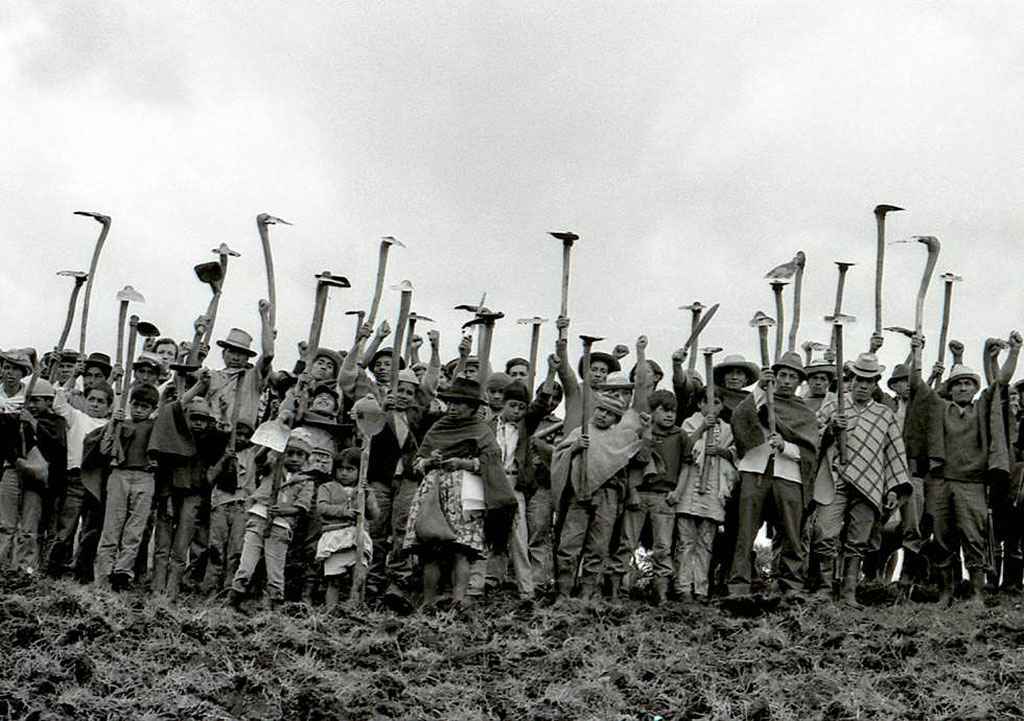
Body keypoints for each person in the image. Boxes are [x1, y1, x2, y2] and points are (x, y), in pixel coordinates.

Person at [922, 332, 1021, 604]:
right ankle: (946, 593)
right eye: (958, 384)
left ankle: (977, 594)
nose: (963, 388)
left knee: (974, 536)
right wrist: (956, 360)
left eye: (968, 384)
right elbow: (928, 395)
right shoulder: (941, 408)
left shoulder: (982, 408)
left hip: (973, 484)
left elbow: (1000, 382)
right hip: (943, 482)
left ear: (975, 389)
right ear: (950, 389)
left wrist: (1013, 352)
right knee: (941, 537)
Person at [403, 377, 515, 607]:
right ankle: (428, 602)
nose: (453, 407)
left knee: (461, 549)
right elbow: (416, 464)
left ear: (473, 407)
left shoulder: (481, 430)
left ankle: (459, 600)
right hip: (434, 491)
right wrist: (429, 462)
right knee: (431, 548)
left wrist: (464, 464)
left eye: (460, 403)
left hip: (466, 493)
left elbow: (493, 462)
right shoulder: (438, 427)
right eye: (451, 402)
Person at [812, 354, 912, 607]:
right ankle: (825, 589)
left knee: (857, 540)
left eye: (869, 380)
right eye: (859, 379)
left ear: (876, 383)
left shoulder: (884, 415)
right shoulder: (833, 406)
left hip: (870, 484)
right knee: (825, 532)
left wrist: (892, 489)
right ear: (851, 379)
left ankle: (848, 592)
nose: (863, 385)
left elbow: (893, 453)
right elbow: (811, 439)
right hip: (835, 479)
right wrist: (830, 429)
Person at [728, 351, 819, 597]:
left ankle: (791, 586)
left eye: (792, 376)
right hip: (755, 470)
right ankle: (739, 586)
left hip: (789, 475)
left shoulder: (805, 414)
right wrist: (759, 388)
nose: (786, 381)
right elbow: (739, 420)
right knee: (745, 531)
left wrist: (786, 447)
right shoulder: (757, 401)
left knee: (791, 532)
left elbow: (810, 454)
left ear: (800, 381)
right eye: (782, 375)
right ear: (774, 376)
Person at [148, 373, 228, 598]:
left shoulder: (210, 441)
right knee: (163, 544)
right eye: (194, 419)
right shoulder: (172, 437)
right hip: (168, 494)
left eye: (203, 419)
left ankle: (172, 590)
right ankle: (157, 588)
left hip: (193, 497)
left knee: (181, 545)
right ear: (186, 418)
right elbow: (173, 409)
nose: (198, 424)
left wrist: (221, 412)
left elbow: (225, 435)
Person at [611, 389, 691, 604]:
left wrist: (678, 491)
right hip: (638, 494)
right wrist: (632, 492)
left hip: (664, 497)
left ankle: (661, 595)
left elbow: (686, 465)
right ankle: (619, 593)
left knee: (663, 547)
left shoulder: (680, 436)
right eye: (663, 410)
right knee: (627, 543)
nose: (669, 415)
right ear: (652, 412)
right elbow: (627, 466)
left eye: (673, 411)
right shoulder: (639, 433)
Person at [230, 433, 315, 609]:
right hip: (258, 518)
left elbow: (302, 506)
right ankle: (234, 600)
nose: (294, 458)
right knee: (246, 564)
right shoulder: (272, 468)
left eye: (300, 455)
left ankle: (275, 605)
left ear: (307, 458)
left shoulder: (306, 481)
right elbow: (259, 458)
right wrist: (274, 443)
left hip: (281, 526)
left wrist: (285, 510)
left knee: (275, 569)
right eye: (290, 453)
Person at [670, 386, 736, 603]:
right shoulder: (689, 422)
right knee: (686, 540)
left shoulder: (727, 429)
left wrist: (721, 452)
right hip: (690, 483)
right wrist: (701, 430)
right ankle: (683, 588)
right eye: (707, 401)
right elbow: (683, 447)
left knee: (705, 542)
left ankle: (701, 589)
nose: (711, 406)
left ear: (721, 405)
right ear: (699, 404)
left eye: (717, 402)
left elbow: (735, 452)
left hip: (714, 487)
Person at [93, 383, 160, 589]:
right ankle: (103, 577)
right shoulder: (122, 423)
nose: (139, 410)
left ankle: (122, 573)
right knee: (112, 527)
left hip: (145, 477)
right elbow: (104, 450)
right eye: (136, 405)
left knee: (135, 529)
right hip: (119, 475)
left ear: (152, 409)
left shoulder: (155, 426)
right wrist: (113, 424)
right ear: (130, 404)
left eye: (145, 407)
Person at [49, 373, 114, 577]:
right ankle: (55, 568)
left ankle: (82, 571)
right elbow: (57, 400)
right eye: (91, 399)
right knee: (66, 526)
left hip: (97, 482)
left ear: (109, 405)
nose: (95, 404)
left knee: (91, 530)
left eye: (101, 401)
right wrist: (73, 376)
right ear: (85, 400)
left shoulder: (111, 425)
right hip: (75, 479)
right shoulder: (77, 417)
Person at [0, 378, 67, 572]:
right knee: (5, 524)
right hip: (13, 471)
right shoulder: (16, 417)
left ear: (49, 401)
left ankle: (25, 569)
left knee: (29, 528)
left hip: (38, 478)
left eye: (38, 400)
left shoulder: (57, 422)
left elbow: (56, 444)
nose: (33, 405)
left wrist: (33, 423)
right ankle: (3, 566)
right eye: (30, 400)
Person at [316, 447, 380, 609]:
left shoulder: (364, 490)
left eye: (350, 469)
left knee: (359, 577)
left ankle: (357, 608)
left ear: (360, 471)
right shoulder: (327, 488)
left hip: (358, 538)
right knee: (334, 579)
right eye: (340, 469)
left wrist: (367, 496)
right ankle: (331, 611)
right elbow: (322, 508)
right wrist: (344, 512)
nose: (344, 473)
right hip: (335, 536)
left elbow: (374, 515)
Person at [201, 421, 259, 594]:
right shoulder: (221, 451)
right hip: (220, 504)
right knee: (216, 547)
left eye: (246, 436)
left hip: (242, 506)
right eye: (238, 434)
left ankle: (229, 586)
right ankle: (211, 586)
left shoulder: (253, 455)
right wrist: (225, 458)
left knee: (236, 549)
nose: (241, 438)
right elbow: (209, 478)